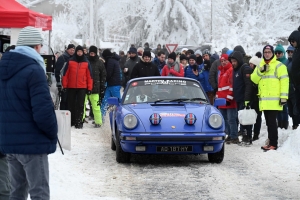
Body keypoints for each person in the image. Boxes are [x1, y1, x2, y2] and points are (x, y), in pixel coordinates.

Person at [0, 26, 58, 199]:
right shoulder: (34, 70)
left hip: (10, 143)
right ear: (36, 47)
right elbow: (43, 111)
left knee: (16, 192)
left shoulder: (3, 68)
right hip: (32, 143)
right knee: (39, 193)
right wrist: (52, 133)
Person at [251, 45, 289, 151]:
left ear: (272, 53)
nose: (267, 54)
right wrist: (261, 71)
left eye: (269, 52)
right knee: (268, 123)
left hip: (274, 101)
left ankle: (273, 144)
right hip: (264, 101)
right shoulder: (260, 65)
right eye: (265, 52)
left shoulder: (279, 66)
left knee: (272, 123)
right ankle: (271, 142)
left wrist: (284, 97)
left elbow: (284, 82)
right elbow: (254, 79)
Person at [62, 45, 93, 128]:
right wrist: (64, 86)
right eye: (78, 51)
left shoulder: (86, 62)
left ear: (83, 52)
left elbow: (89, 76)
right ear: (76, 52)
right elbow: (65, 74)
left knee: (80, 105)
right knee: (71, 104)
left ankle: (79, 122)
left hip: (82, 87)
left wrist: (89, 88)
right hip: (71, 86)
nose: (79, 53)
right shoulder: (70, 61)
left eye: (81, 52)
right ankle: (71, 121)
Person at [230, 51, 253, 145]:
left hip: (245, 99)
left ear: (239, 60)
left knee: (246, 119)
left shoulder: (245, 68)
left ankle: (248, 138)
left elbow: (248, 85)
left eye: (234, 61)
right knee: (242, 118)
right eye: (232, 61)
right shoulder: (236, 70)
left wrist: (247, 99)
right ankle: (244, 136)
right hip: (239, 99)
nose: (233, 63)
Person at [216, 54, 239, 144]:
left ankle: (234, 136)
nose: (223, 62)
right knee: (225, 119)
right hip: (222, 100)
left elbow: (231, 86)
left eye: (225, 60)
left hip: (229, 101)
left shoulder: (230, 70)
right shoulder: (221, 72)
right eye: (222, 61)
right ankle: (229, 135)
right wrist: (218, 97)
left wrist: (229, 98)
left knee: (231, 119)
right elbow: (220, 87)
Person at [87, 45, 106, 128]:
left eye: (93, 53)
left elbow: (103, 75)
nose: (92, 54)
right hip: (85, 87)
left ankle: (98, 121)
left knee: (96, 106)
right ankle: (81, 121)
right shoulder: (86, 61)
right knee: (82, 106)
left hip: (95, 87)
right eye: (91, 53)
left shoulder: (100, 63)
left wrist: (102, 86)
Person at [101, 49, 122, 117]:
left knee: (110, 102)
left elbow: (108, 73)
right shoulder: (113, 60)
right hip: (113, 84)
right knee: (114, 102)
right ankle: (102, 118)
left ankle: (103, 118)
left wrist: (103, 80)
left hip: (113, 84)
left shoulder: (110, 61)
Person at [55, 44, 75, 110]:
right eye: (71, 50)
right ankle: (63, 115)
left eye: (73, 50)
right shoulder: (62, 58)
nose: (72, 51)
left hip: (71, 83)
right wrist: (59, 83)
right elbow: (57, 71)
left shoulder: (73, 58)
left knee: (70, 101)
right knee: (64, 100)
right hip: (63, 83)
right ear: (67, 49)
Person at [248, 56, 262, 141]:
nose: (250, 65)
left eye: (251, 64)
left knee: (258, 117)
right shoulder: (249, 73)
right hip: (252, 98)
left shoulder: (258, 74)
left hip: (257, 98)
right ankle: (250, 133)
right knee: (250, 117)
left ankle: (256, 134)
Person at [275, 44, 289, 129]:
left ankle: (284, 124)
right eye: (276, 53)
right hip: (276, 89)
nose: (277, 54)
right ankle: (279, 123)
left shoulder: (286, 62)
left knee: (284, 108)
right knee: (277, 108)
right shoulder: (274, 63)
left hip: (284, 89)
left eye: (279, 53)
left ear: (283, 53)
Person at [285, 45, 299, 130]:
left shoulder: (296, 62)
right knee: (290, 109)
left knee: (295, 108)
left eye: (291, 52)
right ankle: (294, 124)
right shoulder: (286, 62)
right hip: (287, 89)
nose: (290, 53)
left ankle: (297, 125)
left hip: (294, 88)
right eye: (288, 52)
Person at [288, 26, 300, 117]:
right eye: (291, 42)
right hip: (296, 85)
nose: (292, 44)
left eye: (293, 41)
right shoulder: (296, 51)